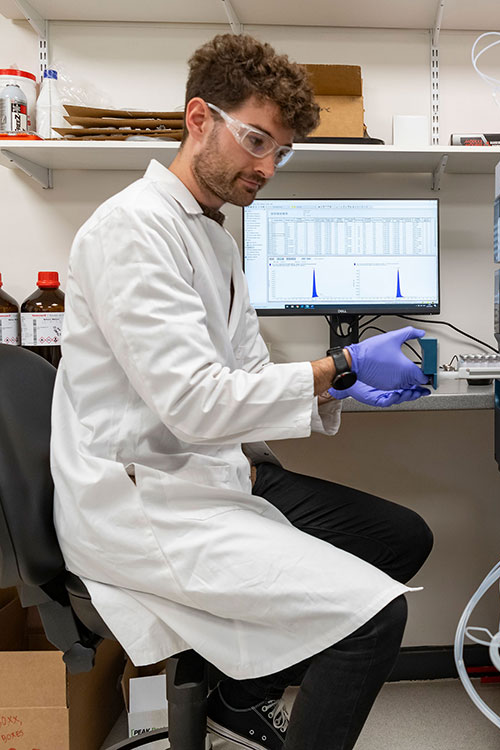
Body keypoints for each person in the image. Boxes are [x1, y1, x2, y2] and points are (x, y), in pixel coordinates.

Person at [49, 33, 434, 750]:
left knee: (400, 536)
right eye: (256, 140)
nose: (268, 167)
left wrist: (340, 381)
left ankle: (235, 697)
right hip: (142, 504)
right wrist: (336, 363)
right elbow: (195, 401)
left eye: (281, 152)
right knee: (374, 618)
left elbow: (245, 376)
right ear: (199, 118)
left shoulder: (216, 239)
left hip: (205, 472)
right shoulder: (133, 230)